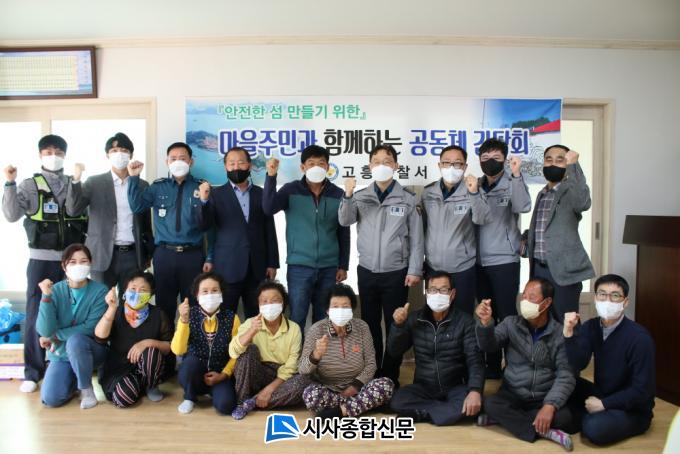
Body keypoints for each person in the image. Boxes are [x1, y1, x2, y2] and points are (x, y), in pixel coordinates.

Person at [3, 134, 87, 393]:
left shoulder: (72, 181)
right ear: (40, 155)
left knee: (69, 314)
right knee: (35, 314)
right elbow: (11, 215)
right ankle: (33, 372)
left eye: (58, 152)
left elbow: (74, 210)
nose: (54, 156)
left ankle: (63, 366)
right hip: (40, 260)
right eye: (48, 152)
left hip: (71, 263)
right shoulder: (30, 185)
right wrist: (9, 183)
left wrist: (76, 181)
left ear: (65, 155)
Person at [338, 143, 424, 385]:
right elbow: (344, 220)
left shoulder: (408, 198)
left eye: (387, 161)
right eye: (376, 162)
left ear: (396, 166)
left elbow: (417, 238)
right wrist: (347, 194)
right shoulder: (360, 196)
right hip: (367, 271)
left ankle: (390, 375)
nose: (381, 165)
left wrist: (415, 269)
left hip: (396, 272)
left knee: (396, 324)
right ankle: (372, 373)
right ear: (369, 166)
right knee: (369, 325)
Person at [475, 278, 576, 451]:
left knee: (565, 417)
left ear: (547, 303)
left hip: (543, 396)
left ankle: (508, 420)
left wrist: (549, 405)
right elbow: (488, 346)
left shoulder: (560, 333)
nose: (525, 301)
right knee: (491, 403)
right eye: (524, 296)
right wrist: (485, 324)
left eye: (532, 297)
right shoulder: (511, 323)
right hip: (513, 392)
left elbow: (566, 374)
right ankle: (546, 432)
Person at [262, 145, 349, 331]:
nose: (316, 167)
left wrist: (343, 265)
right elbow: (268, 208)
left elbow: (343, 231)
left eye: (321, 163)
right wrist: (271, 176)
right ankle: (297, 351)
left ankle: (318, 350)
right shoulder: (290, 190)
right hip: (299, 266)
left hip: (329, 267)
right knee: (297, 316)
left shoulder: (338, 194)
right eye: (311, 163)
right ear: (303, 167)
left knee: (323, 317)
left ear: (327, 167)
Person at [563, 274, 655, 446]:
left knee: (594, 429)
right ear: (595, 298)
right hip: (602, 393)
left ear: (625, 302)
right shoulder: (591, 326)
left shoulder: (639, 338)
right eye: (602, 294)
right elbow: (578, 363)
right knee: (564, 381)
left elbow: (643, 391)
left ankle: (583, 418)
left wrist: (604, 404)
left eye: (615, 296)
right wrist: (568, 333)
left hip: (633, 408)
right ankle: (584, 416)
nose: (607, 300)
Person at [127, 142, 211, 325]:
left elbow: (207, 225)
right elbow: (137, 206)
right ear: (167, 162)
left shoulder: (201, 186)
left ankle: (191, 342)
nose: (178, 162)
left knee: (194, 304)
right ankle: (166, 342)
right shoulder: (158, 187)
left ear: (191, 162)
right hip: (164, 254)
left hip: (193, 255)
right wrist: (133, 178)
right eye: (173, 158)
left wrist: (204, 201)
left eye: (182, 158)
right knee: (164, 305)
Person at [388, 271, 484, 426]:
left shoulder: (465, 321)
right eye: (433, 290)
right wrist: (398, 326)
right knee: (397, 400)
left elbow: (475, 360)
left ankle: (421, 413)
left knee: (469, 400)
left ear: (452, 294)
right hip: (423, 387)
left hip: (455, 386)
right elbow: (394, 351)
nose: (437, 294)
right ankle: (443, 412)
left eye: (443, 290)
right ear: (427, 293)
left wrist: (475, 390)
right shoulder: (415, 319)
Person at [66, 132, 154, 292]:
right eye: (114, 151)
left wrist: (147, 253)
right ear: (107, 155)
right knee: (101, 300)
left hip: (133, 254)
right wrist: (76, 180)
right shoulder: (94, 182)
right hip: (101, 253)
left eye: (124, 150)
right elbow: (73, 210)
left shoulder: (141, 185)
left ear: (131, 155)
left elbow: (146, 223)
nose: (119, 154)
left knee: (131, 301)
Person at [475, 138, 531, 378]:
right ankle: (492, 364)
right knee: (485, 315)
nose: (490, 162)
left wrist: (516, 175)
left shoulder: (512, 182)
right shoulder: (475, 185)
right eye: (485, 158)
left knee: (507, 315)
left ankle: (513, 365)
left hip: (504, 260)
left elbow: (523, 206)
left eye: (496, 158)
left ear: (505, 159)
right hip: (477, 262)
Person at [201, 146, 278, 317]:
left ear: (249, 165)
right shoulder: (215, 194)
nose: (236, 167)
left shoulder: (261, 193)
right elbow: (205, 225)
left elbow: (269, 230)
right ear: (225, 167)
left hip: (257, 266)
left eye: (241, 163)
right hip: (227, 266)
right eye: (232, 163)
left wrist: (272, 263)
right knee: (225, 317)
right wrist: (204, 201)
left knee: (256, 317)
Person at [299, 283, 394, 419]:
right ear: (327, 310)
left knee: (386, 385)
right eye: (335, 306)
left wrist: (354, 387)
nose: (340, 311)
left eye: (345, 306)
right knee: (310, 395)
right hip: (329, 389)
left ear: (352, 309)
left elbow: (371, 364)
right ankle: (361, 405)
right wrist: (316, 355)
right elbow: (302, 370)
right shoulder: (316, 330)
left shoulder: (362, 327)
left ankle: (339, 411)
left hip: (360, 388)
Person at [420, 145, 490, 314]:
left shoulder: (474, 190)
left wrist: (474, 193)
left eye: (457, 163)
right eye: (446, 163)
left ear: (465, 167)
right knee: (435, 314)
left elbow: (482, 219)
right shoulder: (428, 193)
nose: (451, 167)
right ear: (439, 165)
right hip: (433, 267)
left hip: (462, 267)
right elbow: (422, 228)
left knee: (462, 315)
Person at [35, 244, 108, 408]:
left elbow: (90, 327)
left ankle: (86, 389)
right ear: (64, 266)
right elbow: (44, 330)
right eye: (73, 262)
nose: (78, 266)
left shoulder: (100, 291)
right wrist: (46, 297)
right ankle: (75, 380)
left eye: (83, 261)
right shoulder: (54, 291)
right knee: (51, 399)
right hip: (62, 354)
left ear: (90, 264)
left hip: (91, 350)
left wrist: (55, 336)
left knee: (76, 341)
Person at [528, 145, 595, 320]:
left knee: (566, 321)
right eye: (548, 160)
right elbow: (544, 228)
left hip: (564, 269)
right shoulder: (542, 193)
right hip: (539, 268)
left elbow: (583, 203)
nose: (553, 164)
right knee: (541, 319)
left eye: (560, 160)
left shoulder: (570, 190)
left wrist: (574, 166)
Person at [229, 280, 310, 420]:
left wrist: (269, 389)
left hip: (281, 379)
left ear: (283, 303)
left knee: (303, 381)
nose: (269, 305)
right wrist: (252, 331)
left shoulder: (294, 328)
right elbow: (233, 352)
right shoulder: (250, 323)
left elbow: (291, 366)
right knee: (248, 350)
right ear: (259, 305)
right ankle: (242, 401)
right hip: (256, 373)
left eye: (274, 301)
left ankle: (253, 402)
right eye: (264, 301)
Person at [95, 271, 173, 408]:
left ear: (150, 294)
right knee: (123, 398)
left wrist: (147, 343)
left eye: (143, 290)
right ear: (125, 291)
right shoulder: (116, 311)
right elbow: (100, 338)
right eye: (133, 288)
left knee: (151, 353)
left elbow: (169, 346)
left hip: (148, 365)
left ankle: (151, 385)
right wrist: (111, 309)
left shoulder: (159, 315)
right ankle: (136, 385)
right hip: (119, 367)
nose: (137, 293)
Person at [171, 272, 240, 415]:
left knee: (226, 406)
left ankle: (213, 392)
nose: (210, 295)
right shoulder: (189, 315)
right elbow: (178, 350)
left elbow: (237, 352)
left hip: (219, 372)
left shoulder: (232, 318)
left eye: (215, 291)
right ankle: (190, 396)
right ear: (197, 295)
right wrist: (184, 320)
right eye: (205, 291)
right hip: (194, 371)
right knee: (190, 365)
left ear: (221, 294)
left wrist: (224, 374)